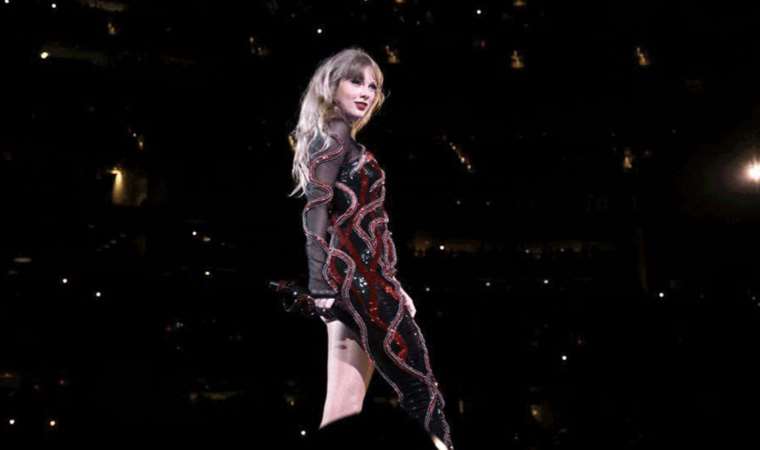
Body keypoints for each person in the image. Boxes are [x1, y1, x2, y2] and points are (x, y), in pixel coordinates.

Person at [287, 47, 455, 449]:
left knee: (343, 407)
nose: (366, 92)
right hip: (356, 284)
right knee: (421, 392)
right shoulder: (334, 135)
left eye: (373, 86)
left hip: (355, 281)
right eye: (356, 81)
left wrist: (389, 282)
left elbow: (360, 225)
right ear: (331, 85)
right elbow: (316, 209)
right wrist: (320, 284)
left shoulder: (333, 136)